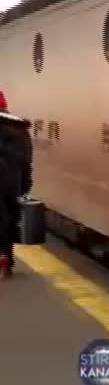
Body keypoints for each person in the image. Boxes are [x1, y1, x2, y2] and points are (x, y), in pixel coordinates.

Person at [0, 89, 32, 278]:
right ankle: (6, 257)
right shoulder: (20, 128)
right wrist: (25, 186)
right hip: (12, 182)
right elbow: (26, 161)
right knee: (9, 218)